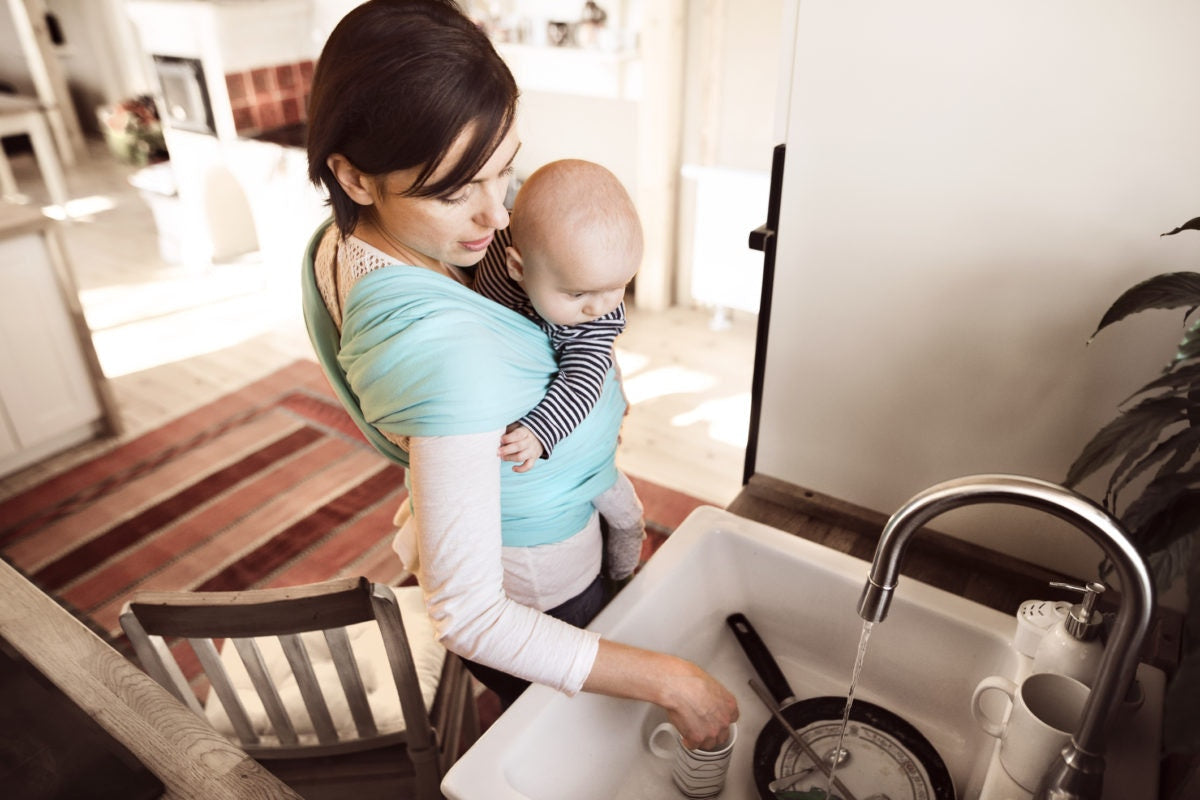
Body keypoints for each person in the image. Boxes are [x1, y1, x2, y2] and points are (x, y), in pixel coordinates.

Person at [301, 0, 736, 749]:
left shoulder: (346, 241)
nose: (496, 217)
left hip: (533, 518)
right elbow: (468, 613)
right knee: (568, 738)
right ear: (355, 176)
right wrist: (673, 679)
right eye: (454, 190)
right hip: (536, 575)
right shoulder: (446, 350)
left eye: (502, 170)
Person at [474, 158, 645, 583]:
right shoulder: (500, 245)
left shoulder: (591, 325)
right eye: (578, 293)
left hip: (581, 437)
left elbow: (583, 383)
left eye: (618, 286)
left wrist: (539, 432)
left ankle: (622, 578)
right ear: (516, 267)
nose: (600, 306)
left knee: (625, 515)